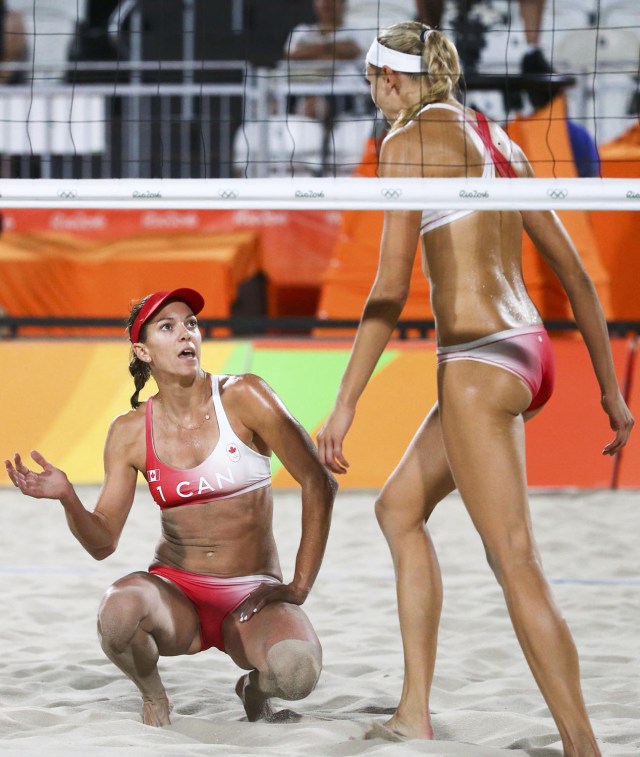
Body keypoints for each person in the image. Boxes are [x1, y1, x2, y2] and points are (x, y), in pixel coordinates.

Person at [317, 22, 634, 755]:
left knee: (514, 559)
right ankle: (413, 711)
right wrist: (611, 391)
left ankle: (583, 744)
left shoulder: (404, 144)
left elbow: (389, 291)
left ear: (394, 81)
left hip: (477, 360)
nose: (370, 93)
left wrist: (346, 400)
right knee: (399, 509)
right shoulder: (501, 141)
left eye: (372, 79)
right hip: (527, 353)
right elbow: (576, 275)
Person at [5, 287, 337, 727]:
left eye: (192, 324)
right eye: (169, 326)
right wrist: (68, 497)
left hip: (253, 596)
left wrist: (299, 586)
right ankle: (155, 697)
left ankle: (252, 689)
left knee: (297, 673)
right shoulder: (128, 431)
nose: (186, 334)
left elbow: (319, 481)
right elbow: (103, 542)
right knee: (118, 612)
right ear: (142, 350)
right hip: (178, 594)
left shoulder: (244, 396)